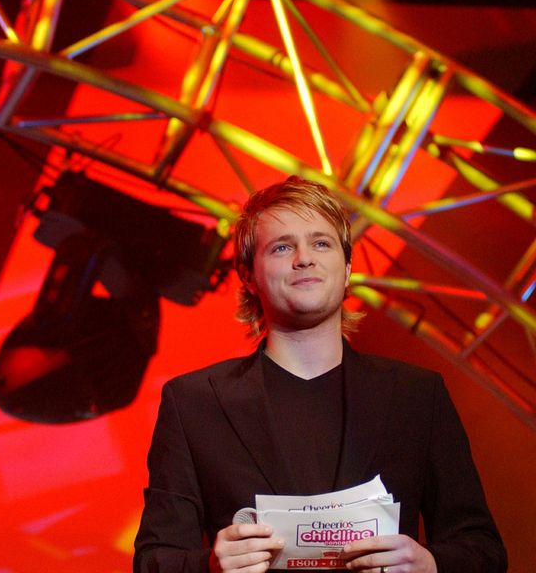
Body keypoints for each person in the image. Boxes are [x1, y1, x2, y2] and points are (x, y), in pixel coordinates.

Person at [132, 176, 506, 573]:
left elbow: (483, 549)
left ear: (346, 270)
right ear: (248, 276)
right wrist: (208, 566)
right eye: (281, 247)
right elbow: (155, 560)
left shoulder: (416, 396)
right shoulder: (194, 403)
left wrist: (431, 564)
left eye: (321, 243)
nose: (304, 258)